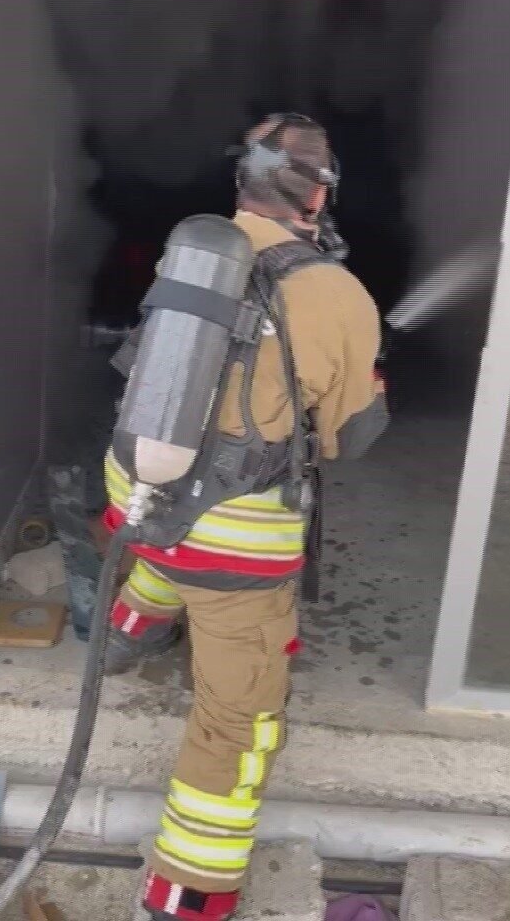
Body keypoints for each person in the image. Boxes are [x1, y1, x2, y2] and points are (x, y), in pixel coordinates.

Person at [102, 114, 388, 921]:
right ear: (320, 194)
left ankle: (128, 631)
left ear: (240, 181)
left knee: (166, 538)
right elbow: (351, 438)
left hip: (135, 492)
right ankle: (185, 894)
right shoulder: (338, 294)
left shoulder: (193, 248)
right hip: (232, 546)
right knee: (240, 723)